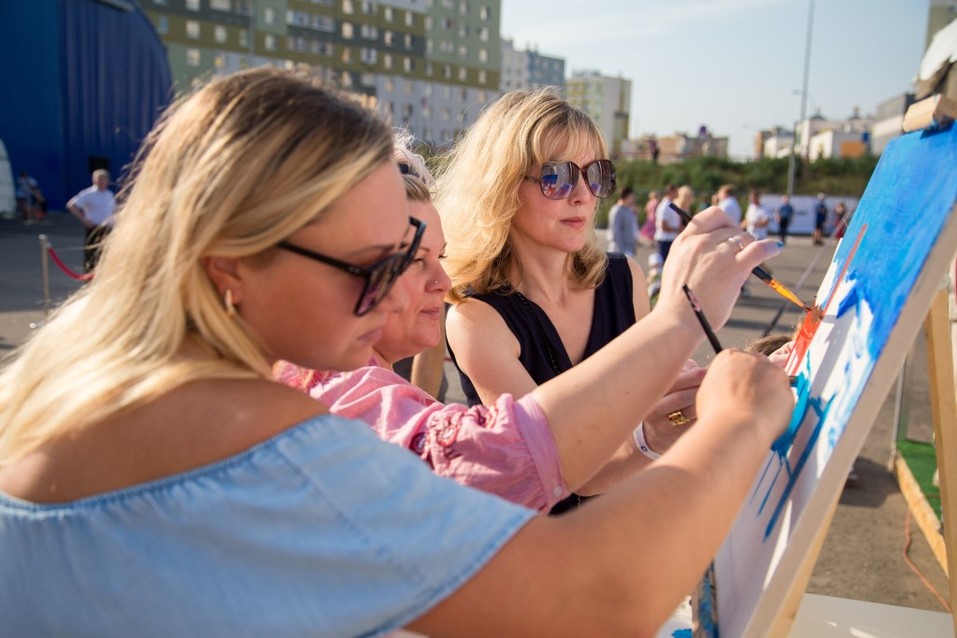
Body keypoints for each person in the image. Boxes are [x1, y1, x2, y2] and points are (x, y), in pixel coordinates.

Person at [0, 69, 792, 636]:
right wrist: (735, 420)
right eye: (376, 265)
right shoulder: (257, 433)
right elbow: (596, 599)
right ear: (228, 263)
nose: (407, 293)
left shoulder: (75, 371)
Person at [434, 90, 702, 514]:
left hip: (630, 530)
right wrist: (653, 437)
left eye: (595, 174)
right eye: (556, 176)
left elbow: (655, 405)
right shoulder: (475, 319)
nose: (582, 195)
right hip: (542, 552)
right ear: (501, 186)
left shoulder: (624, 277)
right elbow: (557, 472)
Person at [67, 169, 117, 272]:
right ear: (94, 180)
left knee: (107, 255)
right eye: (99, 179)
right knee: (92, 256)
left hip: (108, 228)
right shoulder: (89, 194)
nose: (102, 182)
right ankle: (89, 278)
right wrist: (84, 220)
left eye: (104, 179)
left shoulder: (109, 194)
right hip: (94, 228)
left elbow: (113, 210)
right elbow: (71, 205)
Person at [606, 185, 639, 257]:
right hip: (618, 249)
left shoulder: (629, 210)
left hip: (629, 248)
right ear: (627, 196)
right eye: (632, 195)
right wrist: (622, 251)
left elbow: (633, 229)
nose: (634, 198)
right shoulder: (616, 210)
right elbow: (616, 231)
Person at [655, 183, 682, 262]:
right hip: (665, 240)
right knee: (665, 264)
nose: (678, 193)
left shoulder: (670, 204)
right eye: (676, 191)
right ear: (671, 191)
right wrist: (678, 229)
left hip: (670, 239)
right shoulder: (665, 206)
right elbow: (663, 226)